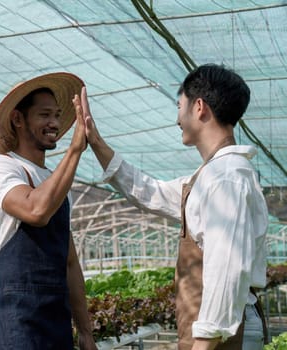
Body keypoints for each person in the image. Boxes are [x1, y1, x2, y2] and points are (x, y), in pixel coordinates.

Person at [83, 64, 269, 349]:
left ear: (199, 107)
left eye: (179, 106)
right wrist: (95, 141)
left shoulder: (227, 178)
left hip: (224, 335)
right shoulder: (209, 176)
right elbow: (150, 192)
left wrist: (204, 342)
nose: (177, 118)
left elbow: (226, 268)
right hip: (215, 333)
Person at [0, 72, 96, 349]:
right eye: (44, 115)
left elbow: (70, 261)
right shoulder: (1, 167)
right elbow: (36, 210)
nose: (54, 123)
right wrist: (76, 150)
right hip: (17, 317)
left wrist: (86, 331)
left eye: (57, 115)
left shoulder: (54, 179)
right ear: (18, 119)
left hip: (56, 315)